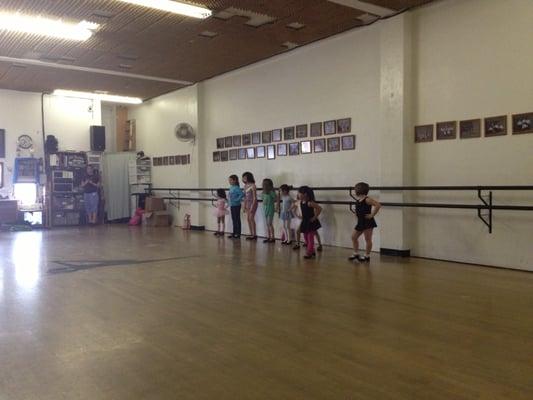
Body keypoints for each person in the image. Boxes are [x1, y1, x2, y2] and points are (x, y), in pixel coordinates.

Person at [348, 182, 381, 262]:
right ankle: (356, 253)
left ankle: (367, 256)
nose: (355, 190)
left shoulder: (367, 199)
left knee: (367, 239)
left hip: (368, 223)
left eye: (356, 188)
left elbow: (378, 205)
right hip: (360, 222)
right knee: (353, 237)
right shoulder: (358, 200)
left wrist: (372, 215)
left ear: (359, 190)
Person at [298, 186, 322, 259]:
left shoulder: (310, 203)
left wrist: (314, 217)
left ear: (305, 194)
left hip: (311, 222)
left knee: (310, 237)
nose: (298, 195)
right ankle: (312, 250)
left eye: (299, 193)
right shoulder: (301, 202)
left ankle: (309, 253)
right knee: (305, 237)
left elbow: (319, 208)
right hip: (305, 222)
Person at [242, 171, 258, 240]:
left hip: (253, 203)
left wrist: (252, 206)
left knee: (251, 218)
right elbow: (245, 197)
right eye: (243, 177)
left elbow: (255, 197)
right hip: (248, 203)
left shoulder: (253, 185)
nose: (243, 178)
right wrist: (244, 206)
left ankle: (254, 235)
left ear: (249, 177)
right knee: (248, 219)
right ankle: (251, 234)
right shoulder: (245, 186)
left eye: (245, 177)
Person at [261, 178, 277, 243]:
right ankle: (268, 237)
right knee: (267, 224)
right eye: (263, 184)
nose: (263, 185)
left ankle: (272, 238)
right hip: (265, 208)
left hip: (270, 208)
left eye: (265, 184)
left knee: (270, 223)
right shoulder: (263, 192)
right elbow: (263, 200)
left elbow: (276, 198)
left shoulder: (271, 192)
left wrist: (276, 206)